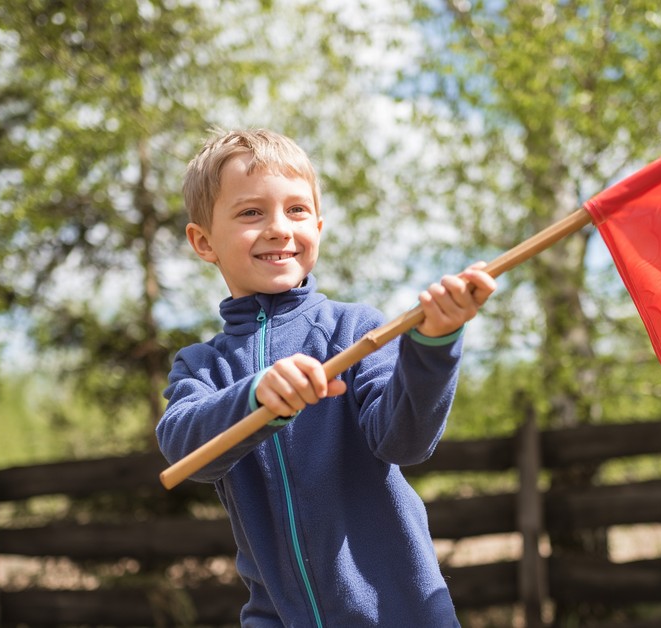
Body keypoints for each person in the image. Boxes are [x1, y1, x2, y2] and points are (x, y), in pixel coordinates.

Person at [156, 128, 496, 627]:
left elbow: (405, 442)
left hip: (401, 615)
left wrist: (434, 344)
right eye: (252, 213)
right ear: (203, 241)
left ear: (318, 225)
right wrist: (255, 399)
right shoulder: (201, 366)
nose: (278, 228)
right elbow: (185, 452)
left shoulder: (359, 329)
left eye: (296, 210)